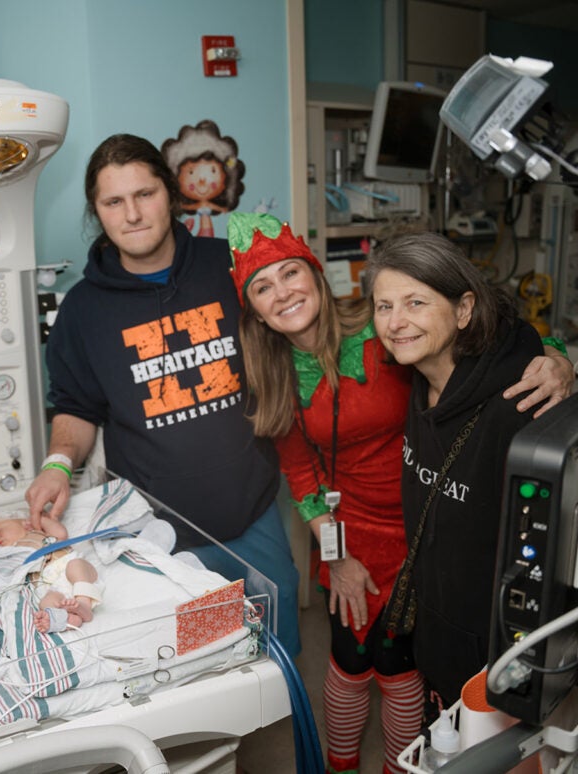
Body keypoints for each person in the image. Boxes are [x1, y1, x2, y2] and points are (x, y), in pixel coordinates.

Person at [230, 214, 572, 773]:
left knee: (403, 662)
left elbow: (506, 341)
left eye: (290, 273)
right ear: (254, 308)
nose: (283, 292)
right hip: (351, 530)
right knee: (349, 655)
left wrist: (561, 363)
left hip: (428, 518)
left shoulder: (385, 325)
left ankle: (399, 766)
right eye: (263, 287)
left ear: (316, 274)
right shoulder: (273, 371)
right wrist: (337, 559)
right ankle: (341, 766)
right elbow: (301, 476)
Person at [24, 133, 301, 656]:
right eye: (113, 202)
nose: (132, 214)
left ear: (171, 194)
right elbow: (77, 408)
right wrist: (57, 465)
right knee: (195, 658)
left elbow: (301, 326)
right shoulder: (83, 311)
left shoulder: (230, 268)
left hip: (254, 511)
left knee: (276, 651)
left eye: (144, 194)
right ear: (97, 212)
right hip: (157, 533)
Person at [366, 232, 547, 716]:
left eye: (416, 302)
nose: (396, 322)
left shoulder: (519, 408)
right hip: (437, 629)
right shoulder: (418, 374)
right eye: (384, 306)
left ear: (464, 310)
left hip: (494, 653)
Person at [0, 516, 102, 632]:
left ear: (23, 524)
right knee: (45, 602)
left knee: (76, 566)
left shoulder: (39, 534)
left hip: (68, 565)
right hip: (50, 584)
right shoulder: (12, 554)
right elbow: (2, 569)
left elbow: (61, 534)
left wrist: (38, 519)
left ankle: (84, 604)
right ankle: (68, 620)